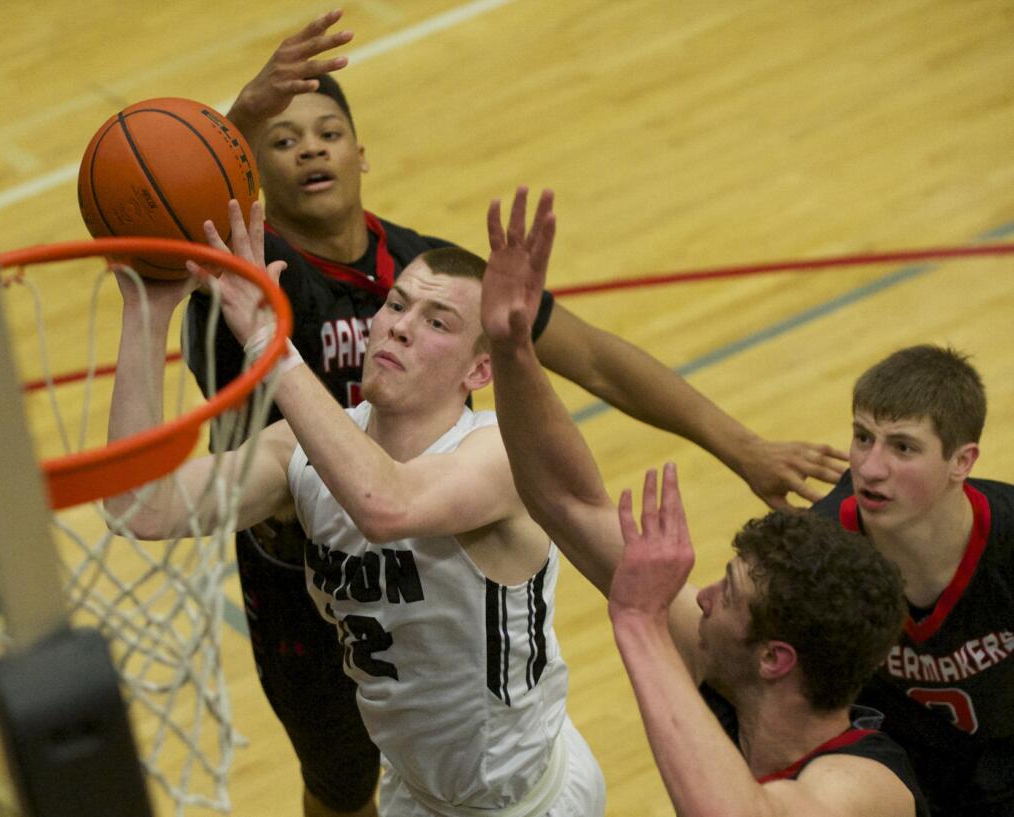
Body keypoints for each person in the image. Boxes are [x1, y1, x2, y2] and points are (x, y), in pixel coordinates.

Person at [182, 12, 847, 815]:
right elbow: (176, 200)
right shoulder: (245, 281)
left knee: (468, 751)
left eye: (328, 131)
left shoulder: (435, 279)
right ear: (251, 170)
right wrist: (241, 115)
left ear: (363, 154)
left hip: (438, 559)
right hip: (305, 579)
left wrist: (739, 444)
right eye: (282, 140)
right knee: (337, 786)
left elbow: (595, 356)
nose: (311, 148)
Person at [108, 197, 606, 816]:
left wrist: (271, 343)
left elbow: (384, 503)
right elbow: (140, 506)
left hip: (526, 803)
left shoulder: (498, 455)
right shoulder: (301, 449)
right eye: (397, 304)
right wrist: (148, 310)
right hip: (414, 794)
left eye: (437, 322)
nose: (398, 324)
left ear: (480, 370)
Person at [481, 186, 930, 817]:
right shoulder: (732, 672)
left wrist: (638, 624)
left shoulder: (864, 788)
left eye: (730, 592)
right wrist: (513, 349)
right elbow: (563, 501)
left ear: (775, 658)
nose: (704, 597)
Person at [811, 345, 1014, 817]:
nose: (870, 467)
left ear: (961, 462)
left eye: (902, 447)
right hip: (894, 782)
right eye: (862, 438)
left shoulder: (1007, 540)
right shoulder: (815, 552)